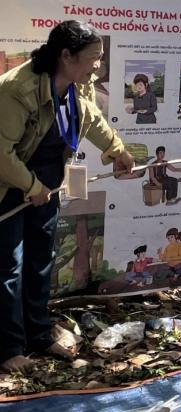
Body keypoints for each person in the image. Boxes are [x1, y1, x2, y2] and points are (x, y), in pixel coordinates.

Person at [0, 20, 135, 373]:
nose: (98, 66)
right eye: (93, 58)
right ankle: (9, 348)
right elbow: (0, 153)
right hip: (8, 189)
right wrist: (30, 187)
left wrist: (117, 150)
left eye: (100, 59)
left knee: (40, 261)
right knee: (8, 269)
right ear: (65, 55)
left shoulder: (77, 84)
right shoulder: (17, 90)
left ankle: (39, 335)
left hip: (45, 186)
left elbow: (90, 119)